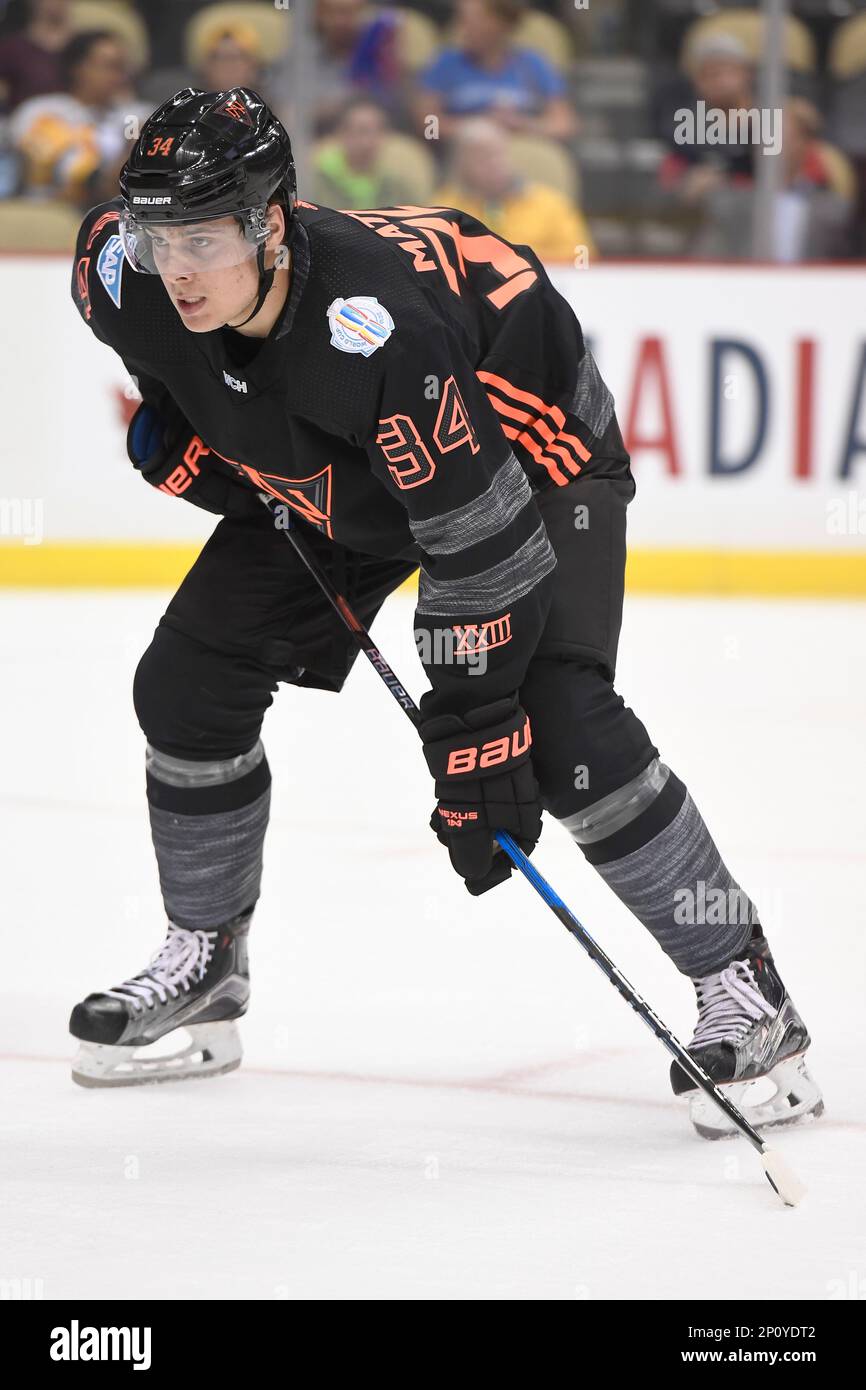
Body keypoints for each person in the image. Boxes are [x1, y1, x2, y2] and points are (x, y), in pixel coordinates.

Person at [68, 88, 821, 1143]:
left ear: (270, 223)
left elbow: (485, 546)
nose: (175, 264)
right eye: (158, 235)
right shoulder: (121, 272)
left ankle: (747, 993)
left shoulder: (381, 335)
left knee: (555, 728)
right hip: (345, 461)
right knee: (187, 686)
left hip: (529, 460)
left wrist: (470, 731)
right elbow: (163, 363)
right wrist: (186, 430)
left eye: (201, 236)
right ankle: (208, 964)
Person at [10, 28, 148, 206]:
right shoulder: (40, 112)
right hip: (50, 216)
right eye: (110, 66)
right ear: (78, 68)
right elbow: (78, 179)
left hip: (119, 218)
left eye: (122, 68)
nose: (119, 77)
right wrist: (133, 150)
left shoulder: (137, 115)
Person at [434, 116, 595, 262]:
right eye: (482, 158)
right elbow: (432, 260)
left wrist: (522, 260)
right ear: (461, 165)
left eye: (497, 154)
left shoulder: (550, 204)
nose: (494, 164)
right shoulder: (443, 208)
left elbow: (580, 255)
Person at [416, 0, 576, 143]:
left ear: (500, 25)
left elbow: (564, 124)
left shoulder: (531, 64)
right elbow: (428, 126)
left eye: (473, 22)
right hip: (464, 156)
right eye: (462, 21)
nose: (463, 29)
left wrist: (523, 125)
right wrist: (473, 128)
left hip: (520, 150)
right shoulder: (446, 63)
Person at [309, 95, 422, 209]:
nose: (369, 142)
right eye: (362, 131)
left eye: (378, 131)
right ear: (342, 133)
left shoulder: (395, 184)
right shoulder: (318, 180)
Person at [0, 0, 71, 113]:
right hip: (24, 121)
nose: (57, 3)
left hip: (74, 121)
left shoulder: (82, 46)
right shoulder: (12, 48)